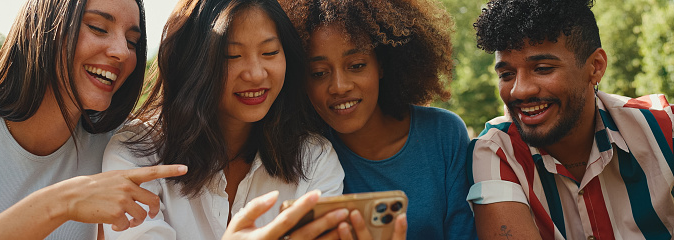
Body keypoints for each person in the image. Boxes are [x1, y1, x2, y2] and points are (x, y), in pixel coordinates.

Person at [101, 0, 346, 239]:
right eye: (232, 55)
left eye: (269, 52)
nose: (256, 74)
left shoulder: (313, 159)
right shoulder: (137, 154)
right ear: (194, 62)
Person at [0, 0, 188, 239]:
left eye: (132, 42)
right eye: (98, 27)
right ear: (42, 28)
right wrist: (61, 203)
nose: (121, 52)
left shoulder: (120, 148)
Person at [466, 0, 674, 239]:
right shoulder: (497, 152)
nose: (519, 91)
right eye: (507, 74)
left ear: (596, 67)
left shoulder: (664, 131)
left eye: (542, 68)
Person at [279, 0, 477, 239]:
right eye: (319, 73)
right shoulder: (307, 154)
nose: (339, 87)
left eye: (356, 65)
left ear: (381, 65)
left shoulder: (443, 134)